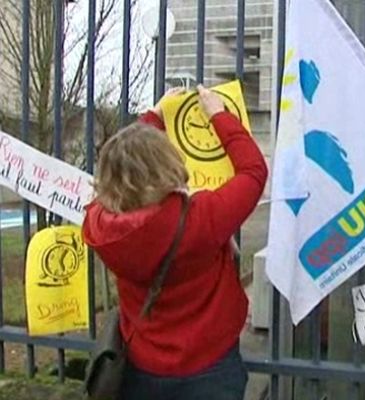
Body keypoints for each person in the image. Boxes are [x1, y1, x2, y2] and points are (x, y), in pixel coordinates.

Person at [82, 85, 268, 400]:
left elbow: (128, 168)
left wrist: (154, 115)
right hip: (211, 365)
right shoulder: (202, 218)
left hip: (141, 365)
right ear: (167, 163)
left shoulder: (97, 224)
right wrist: (218, 115)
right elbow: (253, 171)